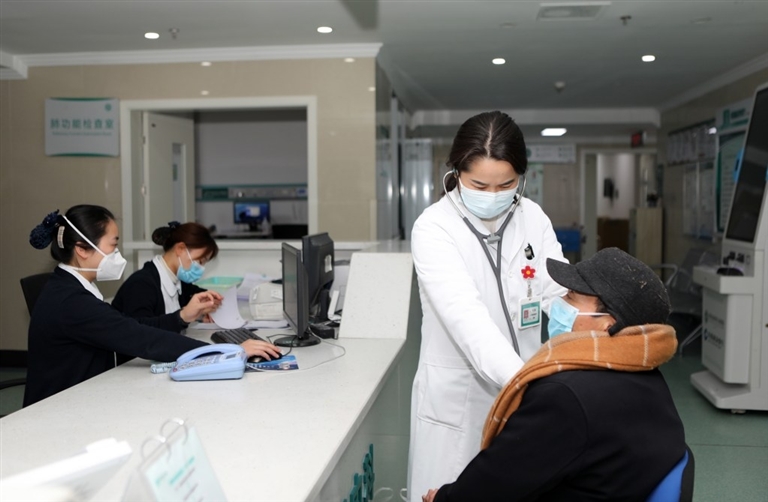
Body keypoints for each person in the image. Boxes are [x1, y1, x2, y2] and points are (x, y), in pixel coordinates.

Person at [423, 248, 687, 502]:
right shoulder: (645, 374)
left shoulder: (566, 396)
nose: (559, 304)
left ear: (607, 324)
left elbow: (494, 484)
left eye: (570, 297)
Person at [408, 111, 568, 500]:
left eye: (506, 184)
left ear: (521, 178)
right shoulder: (434, 228)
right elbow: (468, 321)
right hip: (460, 401)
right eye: (480, 185)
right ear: (456, 173)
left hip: (526, 393)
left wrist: (582, 339)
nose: (493, 195)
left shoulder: (533, 217)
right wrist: (525, 384)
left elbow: (559, 291)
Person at [23, 205, 281, 407]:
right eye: (113, 245)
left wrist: (183, 319)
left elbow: (130, 326)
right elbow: (140, 338)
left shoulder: (71, 287)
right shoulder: (71, 301)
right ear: (82, 249)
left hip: (87, 393)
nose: (117, 254)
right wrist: (228, 352)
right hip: (61, 409)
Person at [113, 221, 220, 325]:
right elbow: (141, 329)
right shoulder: (141, 284)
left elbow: (194, 294)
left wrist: (204, 308)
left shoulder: (179, 282)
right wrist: (182, 317)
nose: (201, 268)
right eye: (200, 261)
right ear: (180, 249)